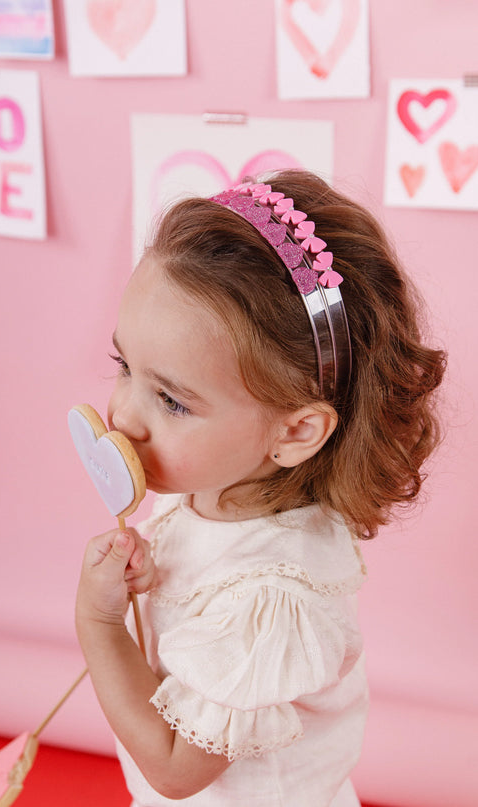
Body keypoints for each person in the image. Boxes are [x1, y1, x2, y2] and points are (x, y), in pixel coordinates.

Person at [75, 170, 446, 806]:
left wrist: (98, 621)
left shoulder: (269, 598)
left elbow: (174, 769)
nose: (125, 418)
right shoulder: (213, 485)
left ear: (296, 430)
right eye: (123, 367)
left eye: (171, 400)